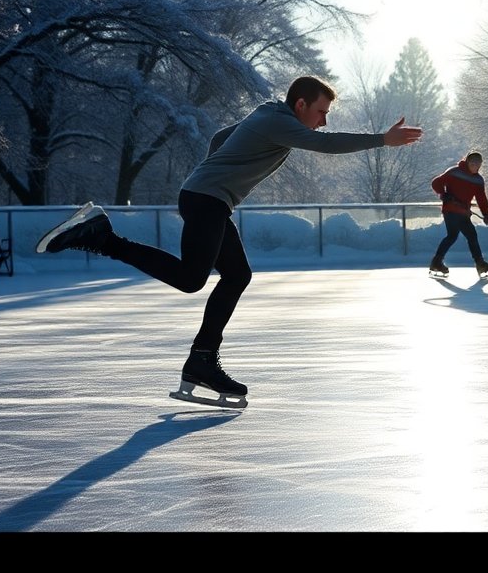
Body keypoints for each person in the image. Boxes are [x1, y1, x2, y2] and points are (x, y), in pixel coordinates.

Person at [34, 76, 423, 408]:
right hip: (207, 200)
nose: (322, 122)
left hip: (209, 199)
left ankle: (202, 360)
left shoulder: (268, 116)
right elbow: (324, 145)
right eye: (321, 112)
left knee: (237, 275)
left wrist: (214, 175)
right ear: (301, 104)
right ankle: (102, 238)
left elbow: (223, 137)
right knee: (191, 278)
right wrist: (381, 140)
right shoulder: (280, 121)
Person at [428, 151, 488, 278]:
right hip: (450, 210)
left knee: (470, 235)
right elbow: (436, 183)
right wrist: (443, 194)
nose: (475, 165)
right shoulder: (454, 172)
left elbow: (481, 199)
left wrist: (486, 214)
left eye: (478, 163)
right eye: (473, 162)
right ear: (467, 162)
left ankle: (478, 264)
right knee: (453, 235)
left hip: (463, 212)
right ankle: (437, 262)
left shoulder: (478, 180)